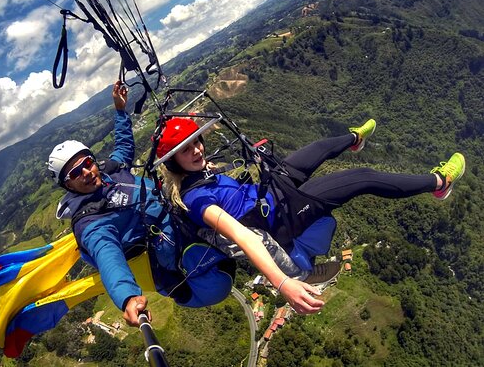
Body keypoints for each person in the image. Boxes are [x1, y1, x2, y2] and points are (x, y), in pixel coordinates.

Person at [48, 82, 328, 323]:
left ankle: (295, 246)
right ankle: (301, 277)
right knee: (244, 237)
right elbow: (109, 258)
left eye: (87, 163)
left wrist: (120, 110)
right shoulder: (91, 222)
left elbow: (123, 147)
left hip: (175, 207)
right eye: (75, 172)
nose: (86, 171)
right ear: (67, 184)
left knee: (236, 208)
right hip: (173, 243)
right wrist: (128, 297)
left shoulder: (109, 172)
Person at [157, 117, 466, 297]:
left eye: (197, 141)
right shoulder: (197, 200)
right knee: (362, 178)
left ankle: (354, 139)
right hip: (281, 217)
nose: (197, 149)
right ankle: (439, 182)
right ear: (174, 161)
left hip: (270, 193)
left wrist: (201, 158)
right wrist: (283, 283)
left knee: (316, 150)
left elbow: (215, 178)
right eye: (186, 149)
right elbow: (243, 237)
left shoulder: (200, 173)